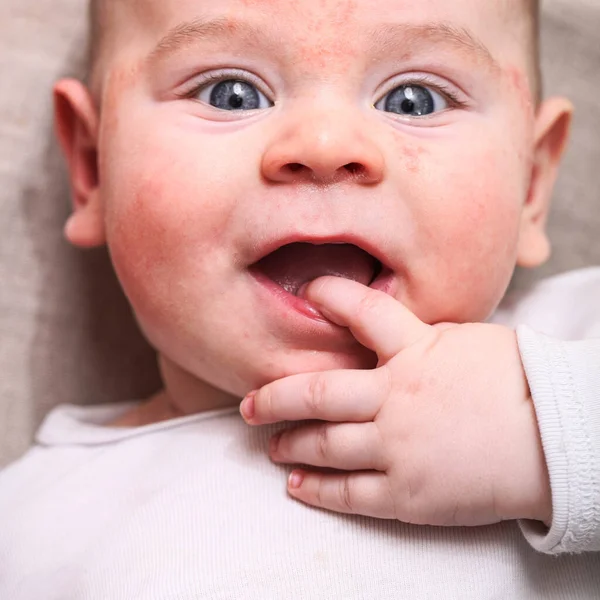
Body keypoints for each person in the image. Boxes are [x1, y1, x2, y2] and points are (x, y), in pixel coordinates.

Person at [0, 0, 599, 597]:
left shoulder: (568, 349)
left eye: (414, 99)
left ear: (531, 183)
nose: (323, 144)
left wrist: (550, 436)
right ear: (92, 163)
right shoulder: (34, 518)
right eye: (230, 94)